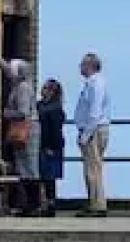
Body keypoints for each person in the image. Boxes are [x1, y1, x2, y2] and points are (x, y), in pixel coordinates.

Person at [71, 53, 110, 218]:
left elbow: (94, 112)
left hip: (93, 130)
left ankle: (97, 205)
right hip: (92, 129)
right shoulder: (92, 83)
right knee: (92, 167)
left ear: (90, 66)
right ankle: (94, 202)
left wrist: (85, 135)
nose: (80, 67)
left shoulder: (96, 84)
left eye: (82, 64)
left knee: (92, 169)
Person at [0, 59, 40, 214]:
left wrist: (6, 113)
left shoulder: (23, 88)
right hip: (24, 130)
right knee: (24, 167)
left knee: (29, 167)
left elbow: (23, 112)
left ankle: (33, 204)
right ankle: (28, 204)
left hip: (27, 131)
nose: (9, 72)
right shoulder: (20, 85)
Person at [34, 78, 67, 218]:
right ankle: (42, 203)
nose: (43, 90)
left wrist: (51, 147)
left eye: (46, 88)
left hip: (50, 145)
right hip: (40, 143)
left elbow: (55, 130)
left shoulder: (55, 107)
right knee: (42, 175)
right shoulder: (40, 105)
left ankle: (50, 204)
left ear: (53, 91)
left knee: (49, 177)